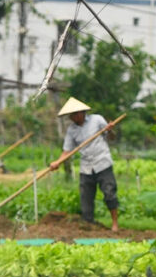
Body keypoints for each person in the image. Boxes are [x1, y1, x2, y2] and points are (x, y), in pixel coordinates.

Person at [49, 97, 119, 232]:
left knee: (109, 193)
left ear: (80, 113)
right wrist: (57, 162)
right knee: (85, 198)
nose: (71, 118)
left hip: (102, 162)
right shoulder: (71, 130)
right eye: (69, 115)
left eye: (73, 115)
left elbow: (111, 138)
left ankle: (115, 223)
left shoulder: (97, 120)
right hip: (86, 167)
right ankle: (89, 225)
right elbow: (67, 151)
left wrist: (110, 130)